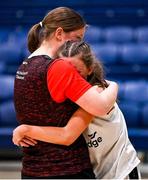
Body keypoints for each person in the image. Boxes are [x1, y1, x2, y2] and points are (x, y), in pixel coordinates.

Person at [14, 7, 118, 179]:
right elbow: (100, 107)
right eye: (77, 37)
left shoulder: (24, 65)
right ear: (59, 33)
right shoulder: (58, 67)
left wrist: (26, 129)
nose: (78, 44)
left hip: (31, 171)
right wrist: (112, 85)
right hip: (67, 170)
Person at [13, 41, 140, 179]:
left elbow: (67, 135)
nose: (69, 76)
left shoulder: (96, 92)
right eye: (65, 71)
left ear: (89, 69)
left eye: (76, 72)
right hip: (96, 170)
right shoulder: (64, 94)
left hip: (120, 171)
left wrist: (25, 130)